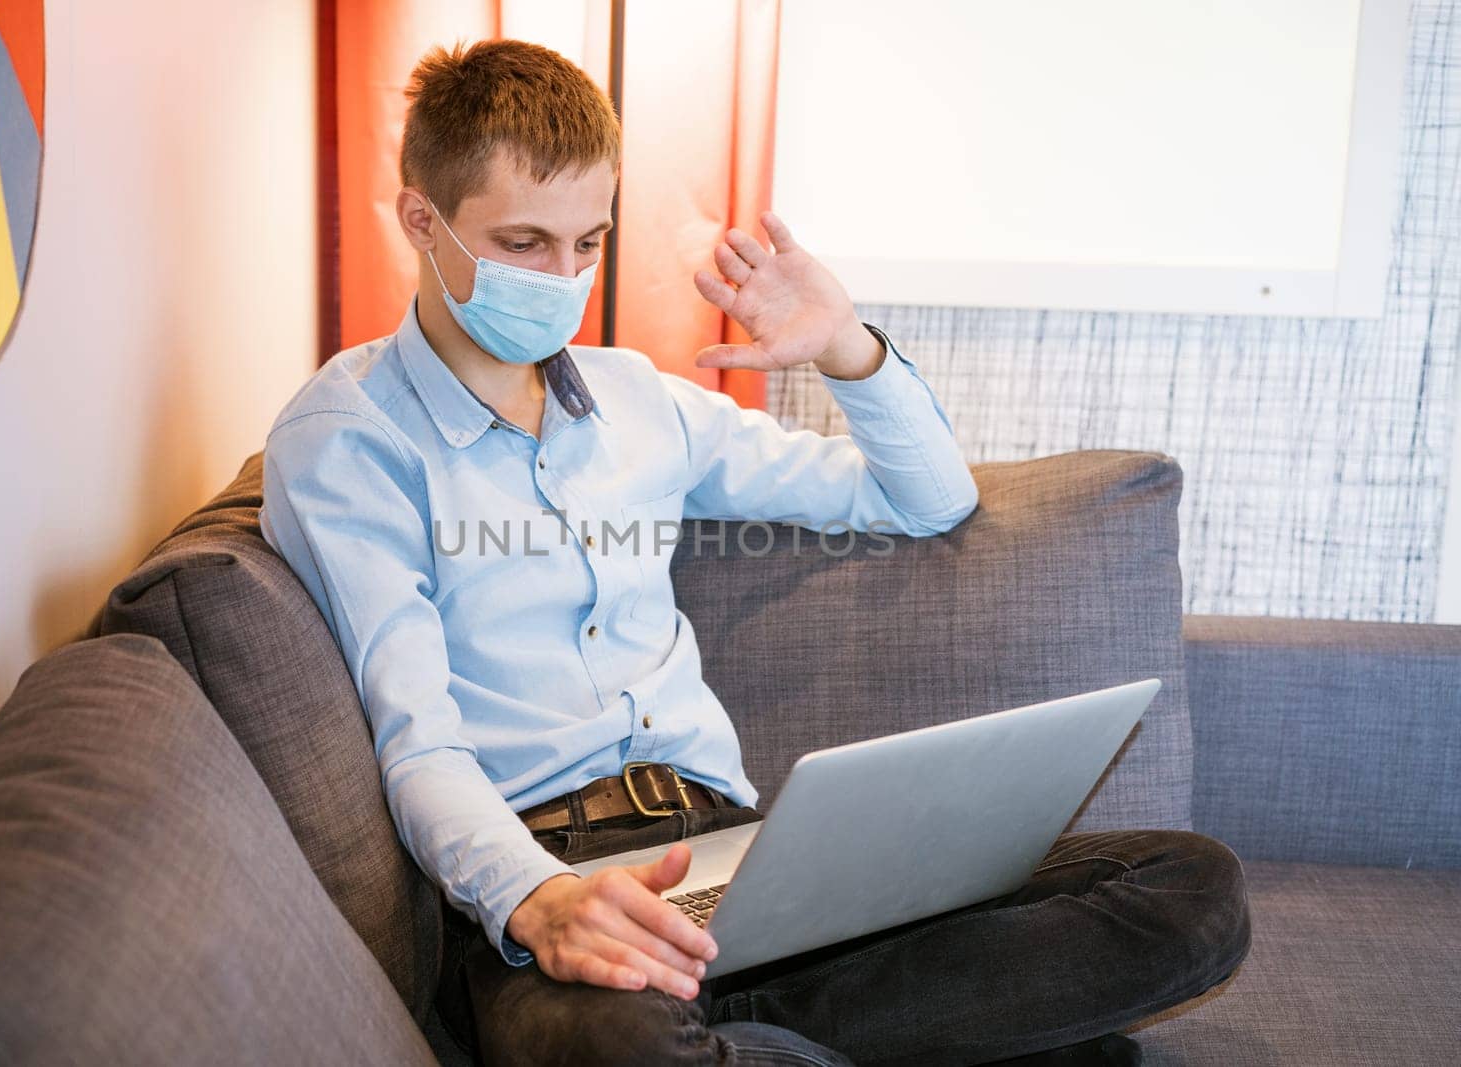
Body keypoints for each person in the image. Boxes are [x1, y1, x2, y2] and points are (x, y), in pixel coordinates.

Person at [258, 38, 1251, 1067]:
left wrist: (844, 346)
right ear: (422, 219)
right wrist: (541, 901)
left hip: (748, 858)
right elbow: (416, 739)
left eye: (587, 244)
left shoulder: (642, 401)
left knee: (1188, 890)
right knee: (620, 1051)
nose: (563, 281)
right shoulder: (347, 442)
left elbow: (925, 500)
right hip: (557, 878)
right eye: (524, 243)